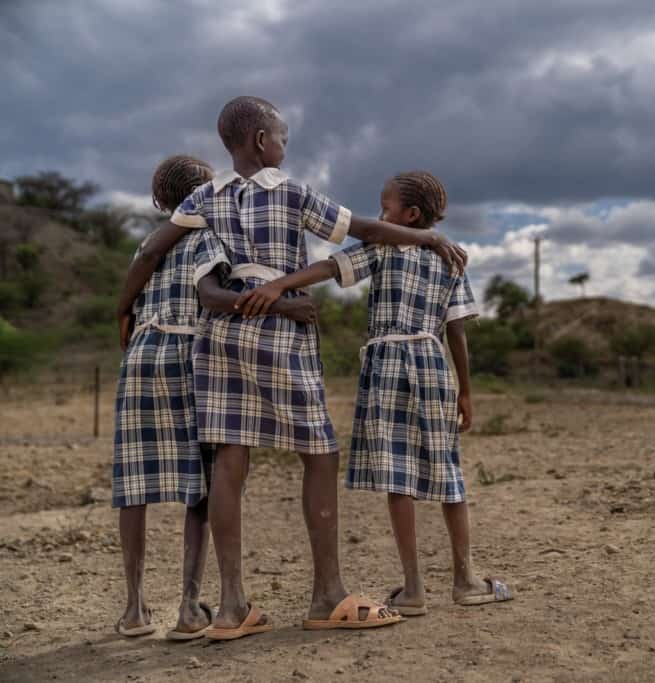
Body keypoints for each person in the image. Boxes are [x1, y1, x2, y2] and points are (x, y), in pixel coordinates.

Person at [115, 96, 467, 639]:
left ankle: (232, 606)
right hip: (280, 331)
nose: (284, 145)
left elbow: (150, 252)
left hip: (220, 336)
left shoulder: (206, 198)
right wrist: (425, 235)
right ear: (262, 142)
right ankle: (327, 595)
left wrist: (124, 307)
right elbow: (364, 230)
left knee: (230, 457)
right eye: (281, 137)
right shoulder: (293, 192)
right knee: (319, 454)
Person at [236, 171, 513, 617]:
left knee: (397, 477)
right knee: (448, 473)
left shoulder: (383, 246)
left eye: (385, 207)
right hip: (433, 364)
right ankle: (466, 580)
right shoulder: (451, 257)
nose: (380, 215)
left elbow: (329, 268)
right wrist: (465, 391)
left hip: (387, 365)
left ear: (411, 214)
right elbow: (455, 329)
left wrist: (279, 284)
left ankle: (414, 588)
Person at [112, 155, 317, 640]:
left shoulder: (150, 244)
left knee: (133, 485)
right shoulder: (211, 236)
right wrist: (287, 307)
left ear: (160, 200)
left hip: (140, 355)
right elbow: (219, 297)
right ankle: (188, 608)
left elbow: (141, 278)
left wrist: (120, 310)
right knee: (201, 490)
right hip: (191, 357)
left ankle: (134, 610)